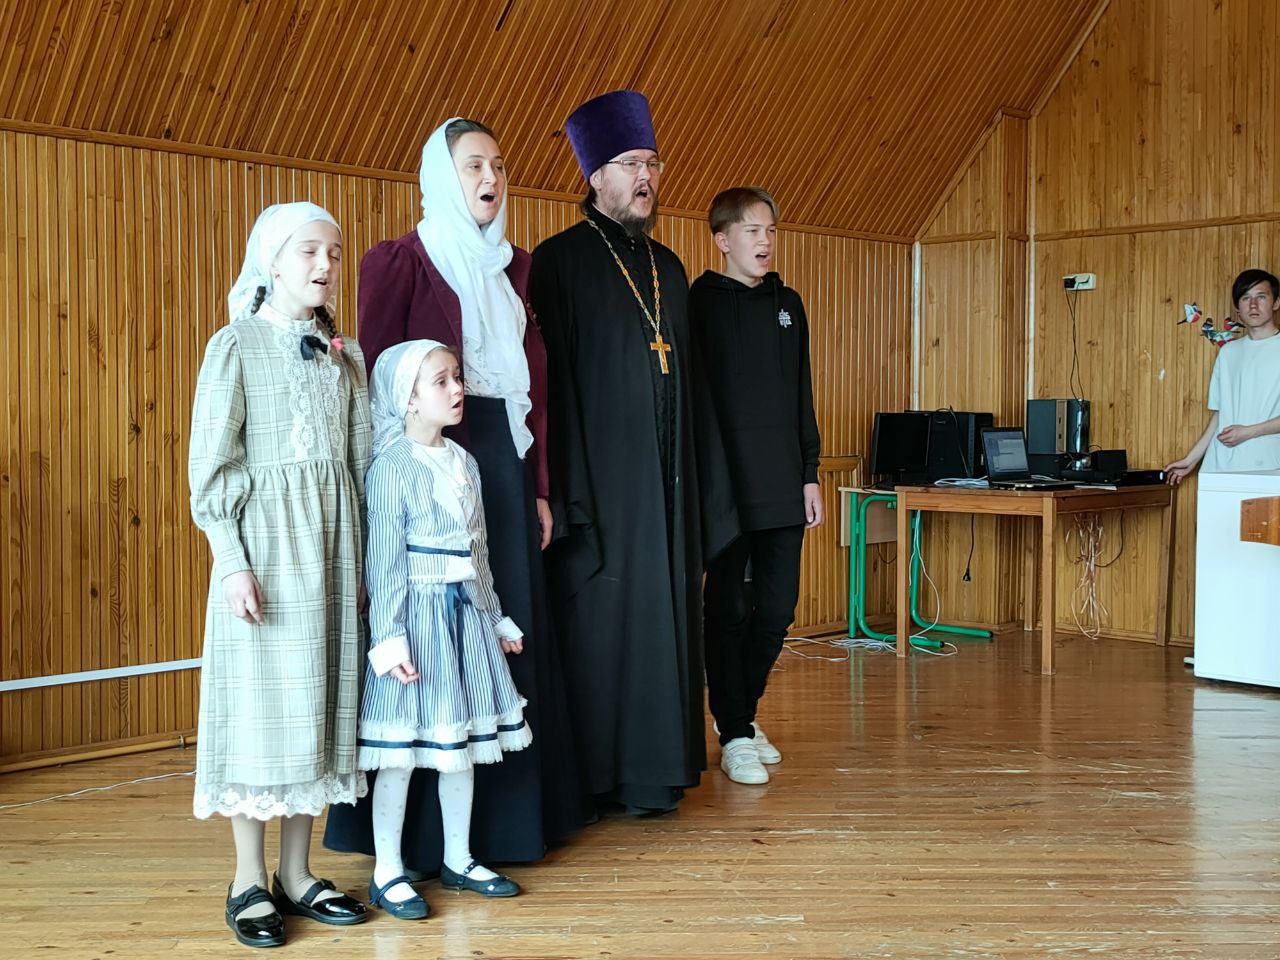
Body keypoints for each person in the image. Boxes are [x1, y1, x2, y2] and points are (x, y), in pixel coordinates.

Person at [324, 118, 585, 869]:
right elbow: (382, 383)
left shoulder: (514, 269)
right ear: (442, 177)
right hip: (427, 466)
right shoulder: (398, 260)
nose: (490, 177)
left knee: (500, 636)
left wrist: (539, 489)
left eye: (498, 165)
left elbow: (532, 393)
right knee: (429, 648)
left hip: (502, 461)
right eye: (473, 165)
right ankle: (410, 846)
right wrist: (386, 487)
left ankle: (498, 833)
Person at [529, 90, 738, 815]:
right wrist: (564, 490)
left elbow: (694, 382)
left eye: (652, 162)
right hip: (602, 490)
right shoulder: (558, 263)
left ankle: (659, 773)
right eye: (630, 164)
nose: (646, 177)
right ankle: (600, 778)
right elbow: (549, 386)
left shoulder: (669, 268)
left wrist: (706, 492)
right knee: (603, 624)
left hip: (669, 486)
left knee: (666, 617)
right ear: (595, 175)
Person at [188, 202, 371, 948]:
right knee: (263, 713)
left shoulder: (345, 356)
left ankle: (297, 872)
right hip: (266, 552)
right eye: (309, 251)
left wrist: (365, 560)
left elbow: (359, 463)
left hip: (333, 550)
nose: (326, 265)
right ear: (271, 260)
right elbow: (212, 468)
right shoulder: (235, 346)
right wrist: (232, 563)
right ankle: (247, 879)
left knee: (317, 708)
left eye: (334, 253)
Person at [359, 339, 533, 918]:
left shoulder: (465, 463)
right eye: (441, 381)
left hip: (464, 621)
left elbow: (477, 554)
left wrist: (494, 614)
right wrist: (389, 639)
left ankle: (459, 858)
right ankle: (387, 870)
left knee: (458, 745)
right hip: (416, 623)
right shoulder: (391, 468)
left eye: (457, 377)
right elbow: (384, 563)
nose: (458, 389)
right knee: (401, 752)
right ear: (408, 398)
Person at [689, 187, 823, 786]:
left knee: (776, 610)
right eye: (752, 231)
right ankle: (737, 730)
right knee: (727, 610)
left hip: (782, 483)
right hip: (724, 488)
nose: (765, 242)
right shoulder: (699, 304)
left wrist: (810, 473)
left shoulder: (788, 304)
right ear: (722, 240)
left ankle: (738, 715)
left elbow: (801, 394)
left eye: (771, 230)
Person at [1166, 269, 1280, 482]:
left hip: (1269, 467)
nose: (1253, 305)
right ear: (1238, 309)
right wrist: (1191, 459)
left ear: (1276, 303)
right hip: (1218, 466)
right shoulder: (1228, 352)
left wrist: (1249, 432)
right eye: (1245, 298)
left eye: (1261, 296)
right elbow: (1222, 414)